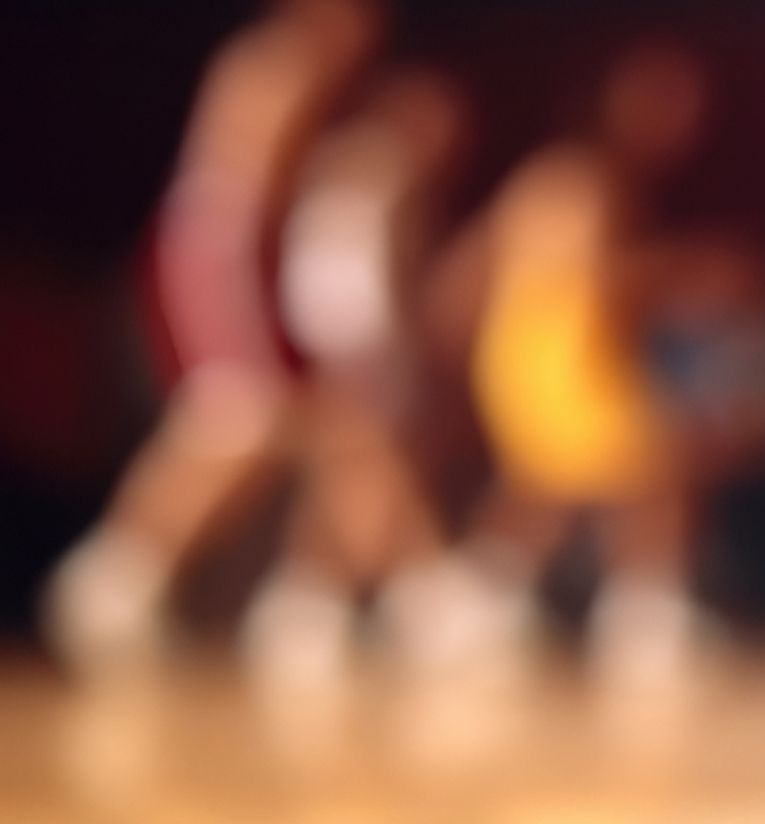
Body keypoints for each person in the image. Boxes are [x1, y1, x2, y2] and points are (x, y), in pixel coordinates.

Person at [43, 0, 380, 670]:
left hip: (230, 252)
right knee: (237, 418)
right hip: (224, 256)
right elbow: (253, 185)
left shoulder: (282, 67)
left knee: (277, 425)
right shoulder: (281, 66)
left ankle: (139, 582)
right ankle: (112, 581)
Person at [418, 43, 709, 681]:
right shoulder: (586, 178)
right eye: (661, 100)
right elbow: (599, 279)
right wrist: (694, 269)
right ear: (614, 103)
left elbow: (462, 278)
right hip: (556, 356)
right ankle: (645, 613)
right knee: (654, 466)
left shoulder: (551, 173)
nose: (679, 118)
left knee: (552, 488)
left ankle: (477, 601)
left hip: (532, 354)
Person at [241, 69, 470, 684]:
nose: (449, 139)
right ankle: (425, 590)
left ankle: (307, 602)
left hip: (357, 342)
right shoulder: (377, 169)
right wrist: (359, 352)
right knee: (372, 465)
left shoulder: (366, 170)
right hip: (355, 342)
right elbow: (345, 267)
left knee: (354, 472)